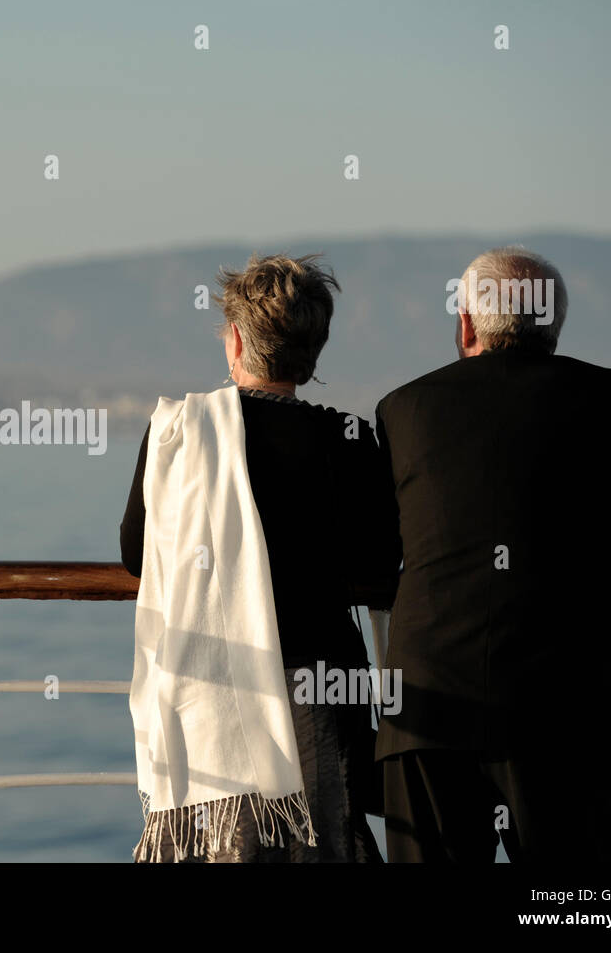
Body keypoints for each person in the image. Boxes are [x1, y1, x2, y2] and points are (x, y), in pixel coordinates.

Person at [375, 246, 611, 862]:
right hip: (565, 714)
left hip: (427, 707)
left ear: (465, 324)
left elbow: (382, 553)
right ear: (554, 328)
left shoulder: (402, 409)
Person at [120, 253, 400, 862]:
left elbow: (136, 554)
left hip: (210, 677)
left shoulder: (179, 433)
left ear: (237, 340)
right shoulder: (350, 439)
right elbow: (381, 568)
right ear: (313, 349)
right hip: (321, 683)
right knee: (328, 838)